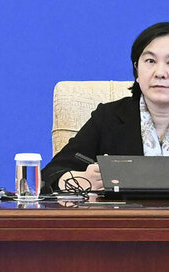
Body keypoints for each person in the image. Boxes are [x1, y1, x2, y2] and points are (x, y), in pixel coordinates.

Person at [41, 22, 169, 193]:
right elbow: (48, 176)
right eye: (150, 61)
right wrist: (80, 181)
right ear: (136, 69)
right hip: (125, 219)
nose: (160, 72)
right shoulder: (108, 117)